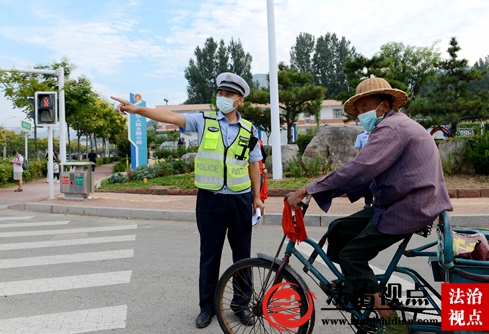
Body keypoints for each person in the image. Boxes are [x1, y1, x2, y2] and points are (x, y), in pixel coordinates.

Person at [287, 77, 453, 334]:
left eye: (366, 107)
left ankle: (391, 322)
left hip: (410, 207)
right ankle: (358, 289)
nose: (362, 114)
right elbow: (369, 176)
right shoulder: (393, 126)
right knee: (339, 228)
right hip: (402, 201)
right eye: (360, 109)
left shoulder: (391, 129)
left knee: (351, 256)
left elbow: (360, 168)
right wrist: (329, 189)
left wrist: (308, 189)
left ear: (384, 106)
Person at [111, 72, 265, 329]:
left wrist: (257, 198)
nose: (223, 98)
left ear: (240, 100)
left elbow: (254, 165)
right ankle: (207, 307)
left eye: (229, 95)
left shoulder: (249, 130)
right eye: (220, 93)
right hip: (210, 200)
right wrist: (137, 109)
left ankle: (241, 304)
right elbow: (171, 116)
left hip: (240, 201)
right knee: (210, 255)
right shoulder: (204, 121)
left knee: (242, 256)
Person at [354, 130, 373, 208]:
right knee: (367, 183)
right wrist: (359, 161)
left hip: (378, 160)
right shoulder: (361, 135)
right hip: (365, 162)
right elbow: (357, 148)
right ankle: (368, 203)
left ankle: (378, 202)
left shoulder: (378, 132)